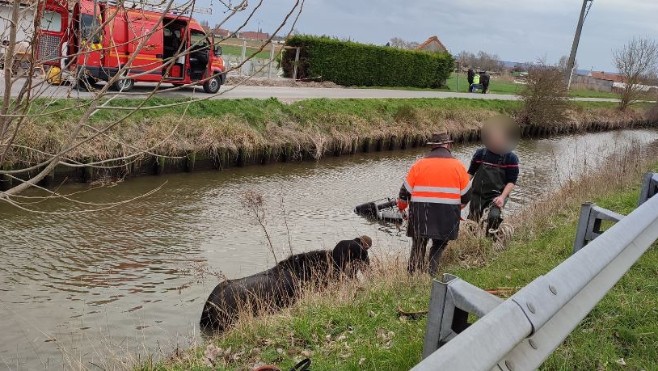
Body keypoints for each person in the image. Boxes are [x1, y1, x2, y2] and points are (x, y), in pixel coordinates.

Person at [397, 133, 471, 275]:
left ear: (432, 146)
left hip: (420, 214)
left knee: (418, 245)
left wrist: (402, 208)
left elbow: (404, 193)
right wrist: (458, 207)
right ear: (448, 145)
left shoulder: (418, 165)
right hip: (447, 215)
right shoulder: (458, 166)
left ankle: (413, 276)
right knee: (438, 246)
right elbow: (467, 196)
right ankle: (431, 273)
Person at [468, 121, 519, 233]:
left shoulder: (511, 158)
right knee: (472, 222)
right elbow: (470, 173)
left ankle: (489, 242)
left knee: (494, 217)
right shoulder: (480, 154)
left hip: (497, 195)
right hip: (477, 194)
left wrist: (502, 197)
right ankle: (471, 244)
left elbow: (511, 182)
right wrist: (461, 190)